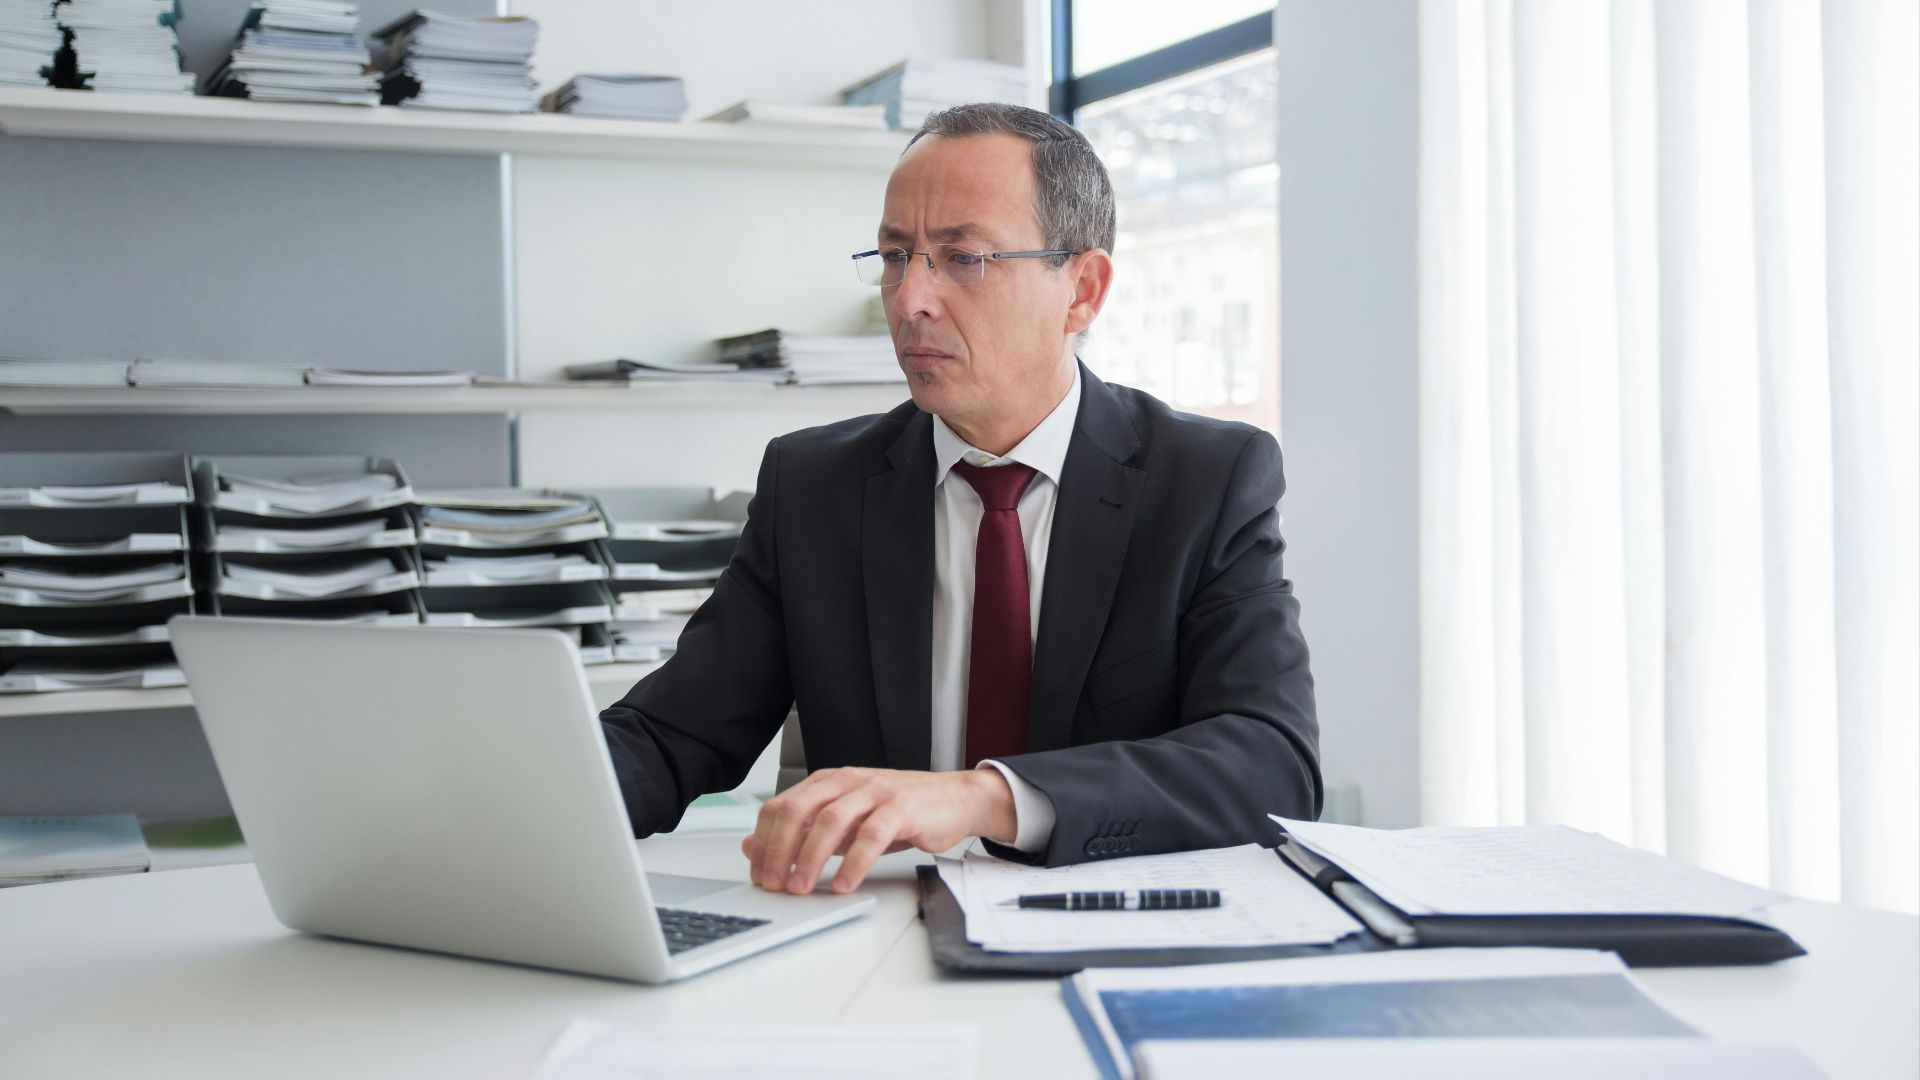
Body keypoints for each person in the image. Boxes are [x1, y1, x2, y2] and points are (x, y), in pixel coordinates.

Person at [600, 102, 1319, 897]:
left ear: (1082, 290)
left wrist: (982, 797)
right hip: (871, 938)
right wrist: (494, 800)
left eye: (962, 258)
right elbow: (669, 737)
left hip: (1112, 933)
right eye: (895, 255)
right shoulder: (813, 488)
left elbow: (1270, 765)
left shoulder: (1206, 480)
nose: (910, 300)